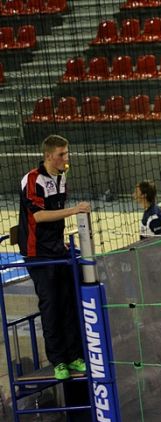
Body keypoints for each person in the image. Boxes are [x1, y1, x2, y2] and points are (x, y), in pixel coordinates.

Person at [18, 135, 91, 380]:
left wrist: (62, 240)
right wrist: (74, 210)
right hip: (38, 254)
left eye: (67, 153)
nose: (66, 158)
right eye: (62, 154)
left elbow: (55, 217)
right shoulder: (32, 179)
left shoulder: (61, 177)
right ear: (49, 156)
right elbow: (38, 216)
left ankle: (74, 356)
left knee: (68, 302)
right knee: (51, 305)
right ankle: (58, 361)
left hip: (57, 250)